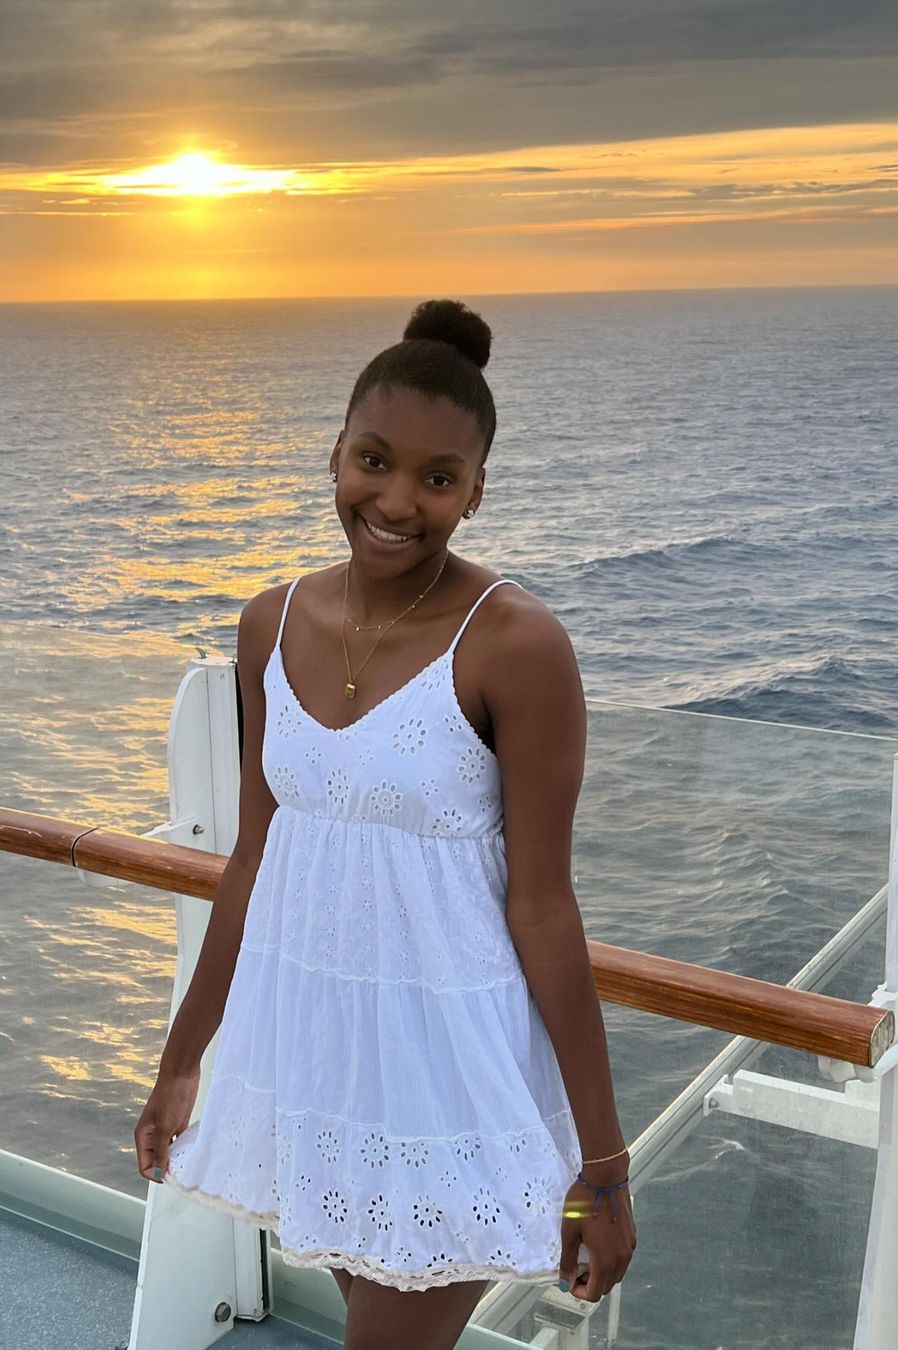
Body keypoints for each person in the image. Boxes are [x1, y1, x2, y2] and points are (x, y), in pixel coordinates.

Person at [134, 298, 636, 1349]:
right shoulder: (269, 624)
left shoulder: (515, 645)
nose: (398, 500)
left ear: (476, 490)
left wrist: (604, 1165)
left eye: (438, 478)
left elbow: (544, 907)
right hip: (322, 1060)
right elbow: (255, 858)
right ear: (336, 453)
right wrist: (183, 1061)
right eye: (374, 461)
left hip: (452, 1079)